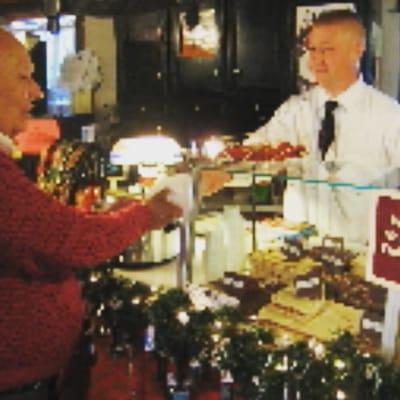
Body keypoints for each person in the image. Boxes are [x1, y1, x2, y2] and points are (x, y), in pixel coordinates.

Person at [0, 28, 183, 399]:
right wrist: (148, 214)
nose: (35, 92)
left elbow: (46, 231)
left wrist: (119, 213)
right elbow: (74, 242)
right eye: (23, 77)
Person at [245, 9, 400, 243]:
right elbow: (250, 155)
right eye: (312, 49)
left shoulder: (389, 116)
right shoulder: (295, 111)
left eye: (326, 50)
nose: (315, 59)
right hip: (297, 253)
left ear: (357, 50)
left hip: (358, 258)